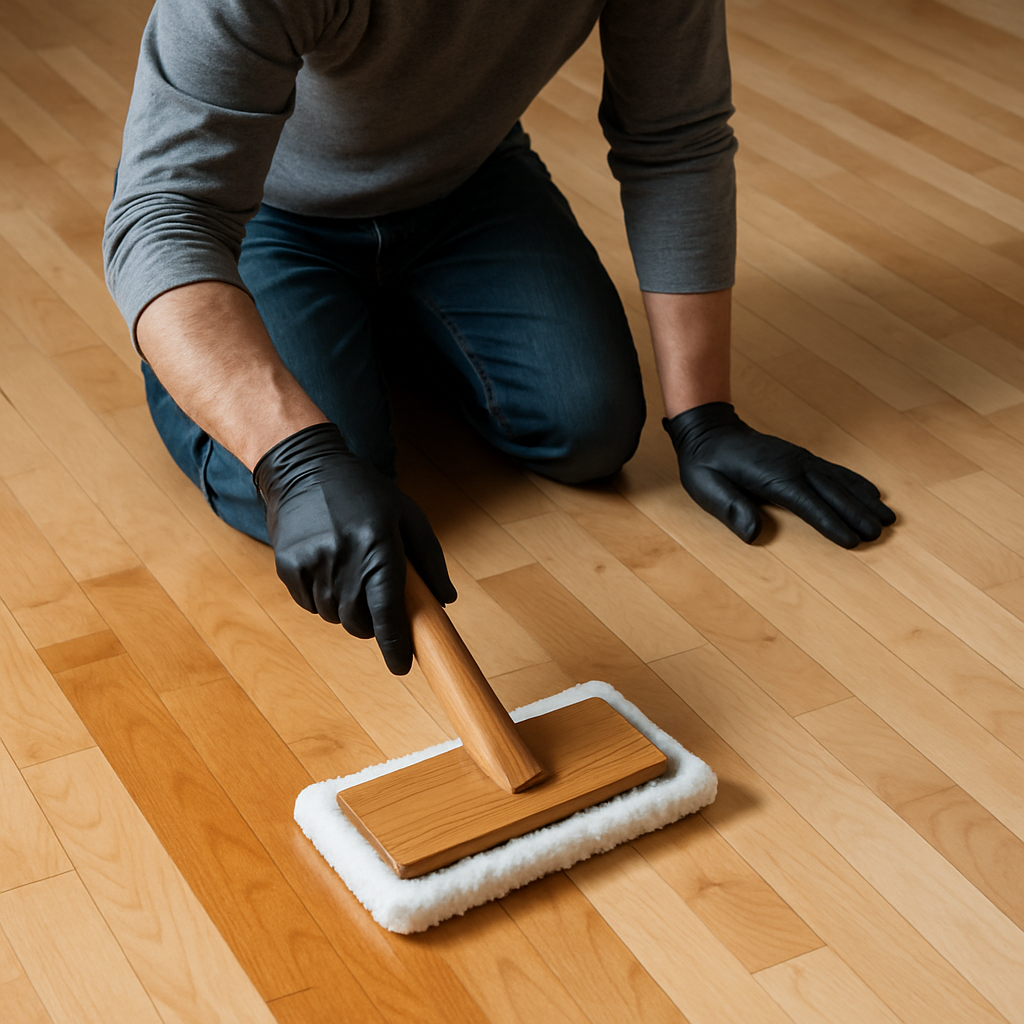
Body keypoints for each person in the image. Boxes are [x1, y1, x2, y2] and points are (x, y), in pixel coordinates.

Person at [104, 0, 895, 675]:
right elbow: (164, 216)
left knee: (589, 430)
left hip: (465, 182)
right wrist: (294, 458)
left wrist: (704, 416)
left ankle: (368, 327)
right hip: (266, 212)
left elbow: (676, 137)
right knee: (310, 497)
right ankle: (198, 351)